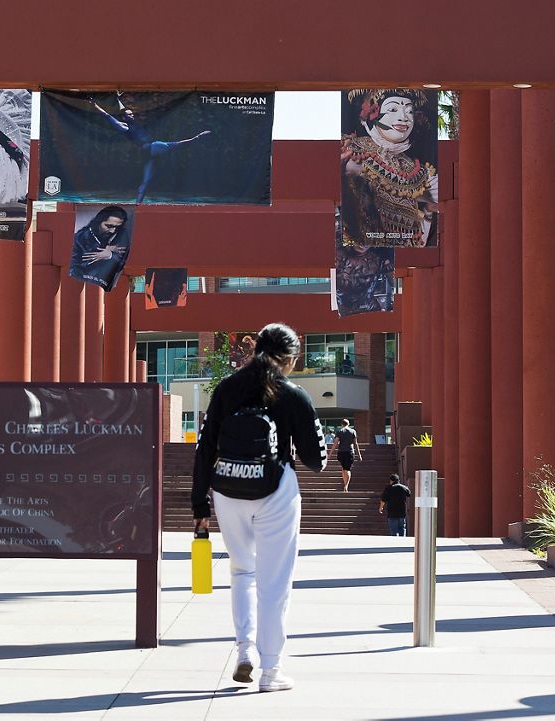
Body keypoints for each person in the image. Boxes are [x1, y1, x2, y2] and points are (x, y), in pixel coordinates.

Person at [191, 323, 326, 693]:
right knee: (275, 583)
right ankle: (271, 670)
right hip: (276, 491)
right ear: (291, 359)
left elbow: (204, 447)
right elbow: (318, 459)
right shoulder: (293, 394)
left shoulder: (227, 388)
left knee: (242, 572)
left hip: (227, 489)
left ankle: (244, 651)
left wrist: (198, 501)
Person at [340, 89, 439, 247]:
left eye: (410, 111)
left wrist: (427, 212)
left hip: (402, 253)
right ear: (373, 114)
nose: (403, 118)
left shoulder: (418, 172)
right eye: (392, 109)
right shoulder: (349, 150)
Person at [90, 91, 211, 204]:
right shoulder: (124, 127)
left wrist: (117, 99)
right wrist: (95, 105)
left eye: (132, 114)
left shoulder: (129, 120)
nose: (132, 116)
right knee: (175, 145)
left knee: (146, 181)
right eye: (129, 115)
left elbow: (123, 110)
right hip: (150, 147)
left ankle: (138, 203)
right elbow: (107, 116)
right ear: (124, 118)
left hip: (148, 153)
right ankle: (196, 138)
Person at [69, 205, 132, 291]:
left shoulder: (121, 234)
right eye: (109, 226)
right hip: (85, 288)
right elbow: (73, 268)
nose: (112, 231)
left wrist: (109, 255)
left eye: (117, 227)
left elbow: (124, 260)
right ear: (98, 222)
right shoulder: (80, 239)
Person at [334, 418, 362, 492]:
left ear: (341, 424)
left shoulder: (339, 431)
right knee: (348, 469)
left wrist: (330, 453)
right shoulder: (353, 431)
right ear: (348, 424)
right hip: (350, 452)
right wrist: (359, 455)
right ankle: (346, 485)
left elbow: (335, 443)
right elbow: (356, 443)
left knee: (343, 469)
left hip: (341, 452)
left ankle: (345, 484)